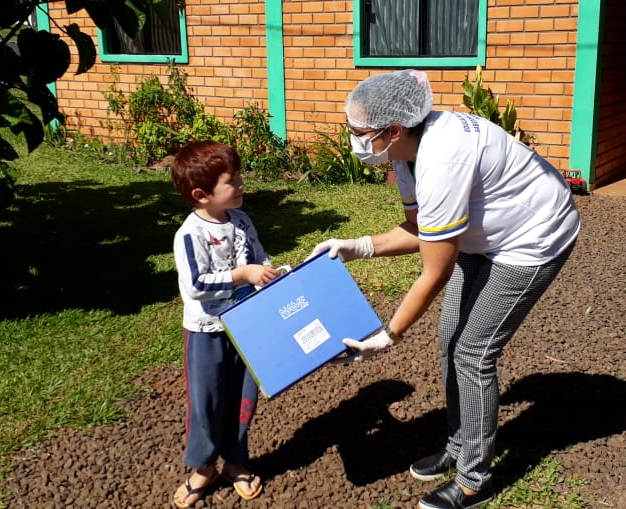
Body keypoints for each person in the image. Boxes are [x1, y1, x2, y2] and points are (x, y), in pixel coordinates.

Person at [309, 70, 581, 509]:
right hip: (483, 235)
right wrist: (357, 247)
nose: (354, 140)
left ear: (392, 129)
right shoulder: (404, 152)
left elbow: (433, 271)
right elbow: (421, 229)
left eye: (358, 132)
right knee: (449, 338)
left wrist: (388, 334)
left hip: (533, 238)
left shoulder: (442, 159)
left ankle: (474, 479)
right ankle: (459, 444)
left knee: (473, 352)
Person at [170, 140, 280, 507]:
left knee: (243, 396)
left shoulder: (242, 220)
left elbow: (258, 258)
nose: (242, 184)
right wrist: (242, 274)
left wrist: (267, 274)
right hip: (208, 333)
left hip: (247, 325)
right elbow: (197, 285)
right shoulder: (190, 235)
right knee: (207, 402)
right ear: (202, 195)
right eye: (232, 180)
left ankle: (236, 461)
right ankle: (203, 467)